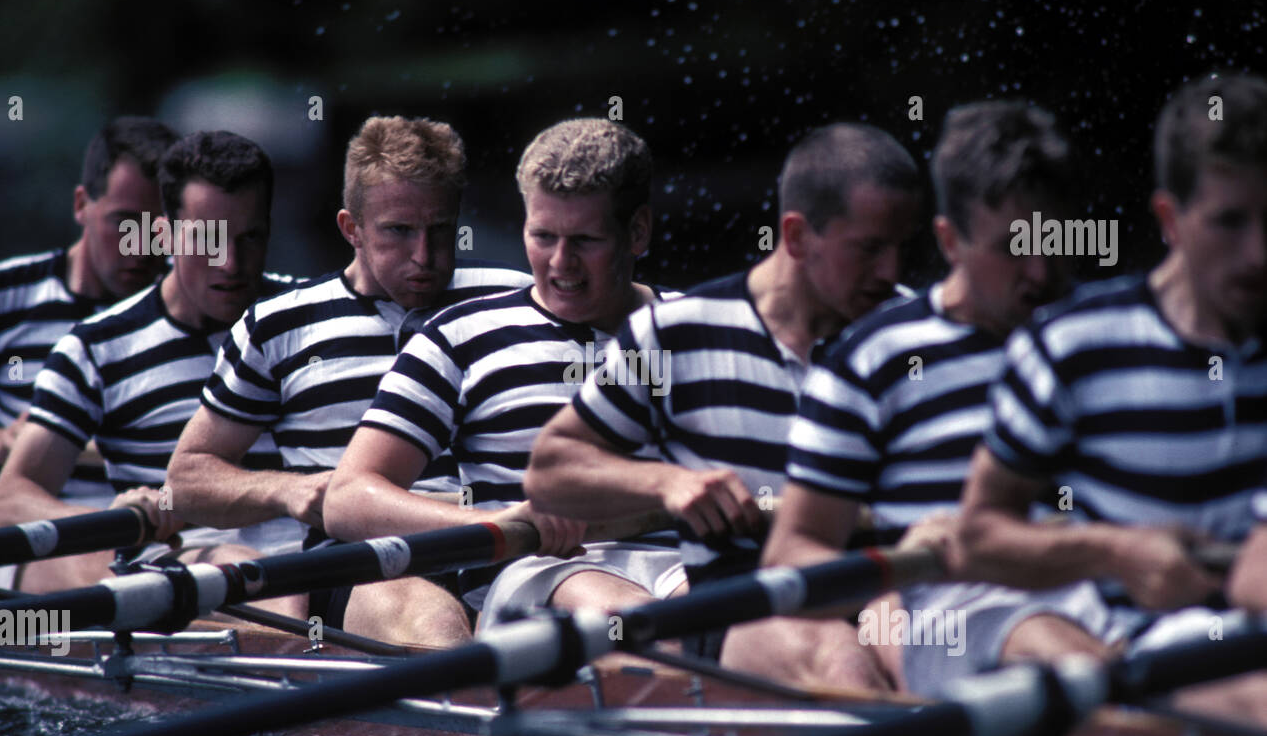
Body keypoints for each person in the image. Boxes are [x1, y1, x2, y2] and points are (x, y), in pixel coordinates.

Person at [524, 123, 924, 688]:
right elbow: (550, 473)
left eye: (903, 249)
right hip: (745, 603)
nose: (890, 273)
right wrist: (667, 484)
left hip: (891, 581)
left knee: (929, 645)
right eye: (869, 251)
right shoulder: (676, 333)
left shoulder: (912, 330)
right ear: (797, 236)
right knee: (837, 656)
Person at [955, 73, 1267, 721]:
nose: (1258, 254)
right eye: (1230, 222)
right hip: (1160, 657)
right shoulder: (1069, 347)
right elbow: (979, 538)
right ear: (1170, 219)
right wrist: (1116, 552)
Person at [166, 115, 531, 645]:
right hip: (369, 561)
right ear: (351, 228)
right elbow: (185, 482)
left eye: (440, 231)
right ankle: (467, 711)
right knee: (432, 625)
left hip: (514, 545)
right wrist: (288, 492)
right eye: (399, 232)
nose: (424, 258)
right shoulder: (278, 325)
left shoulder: (513, 298)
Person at [762, 101, 1088, 694]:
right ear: (951, 241)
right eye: (1013, 247)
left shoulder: (1110, 329)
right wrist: (894, 564)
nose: (1040, 271)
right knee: (1072, 653)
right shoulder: (869, 361)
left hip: (1118, 590)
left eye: (1053, 240)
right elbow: (790, 557)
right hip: (967, 611)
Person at [323, 118, 683, 634]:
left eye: (585, 240)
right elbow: (347, 497)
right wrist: (493, 523)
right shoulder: (460, 336)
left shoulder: (702, 328)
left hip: (688, 565)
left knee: (748, 624)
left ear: (638, 232)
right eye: (543, 236)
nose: (561, 263)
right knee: (635, 618)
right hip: (541, 570)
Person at [0, 130, 297, 594]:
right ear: (164, 235)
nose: (231, 263)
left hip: (320, 564)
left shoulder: (307, 311)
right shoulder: (97, 348)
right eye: (210, 240)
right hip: (196, 581)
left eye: (250, 238)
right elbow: (7, 502)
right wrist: (119, 519)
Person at [0, 117, 178, 511]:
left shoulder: (188, 300)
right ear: (81, 205)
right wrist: (3, 443)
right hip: (44, 538)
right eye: (126, 223)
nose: (141, 246)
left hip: (162, 534)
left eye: (158, 229)